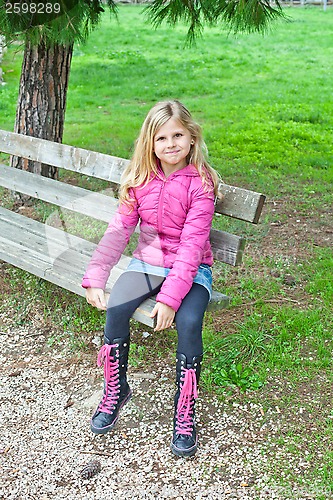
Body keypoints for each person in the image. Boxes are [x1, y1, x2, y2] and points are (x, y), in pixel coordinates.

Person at [82, 100, 220, 458]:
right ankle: (116, 388)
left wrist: (170, 298)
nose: (171, 144)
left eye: (178, 135)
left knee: (189, 322)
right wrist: (97, 276)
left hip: (192, 270)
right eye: (161, 138)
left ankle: (184, 408)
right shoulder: (139, 180)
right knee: (116, 307)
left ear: (192, 137)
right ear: (150, 142)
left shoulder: (202, 183)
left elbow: (191, 247)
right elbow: (118, 232)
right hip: (148, 263)